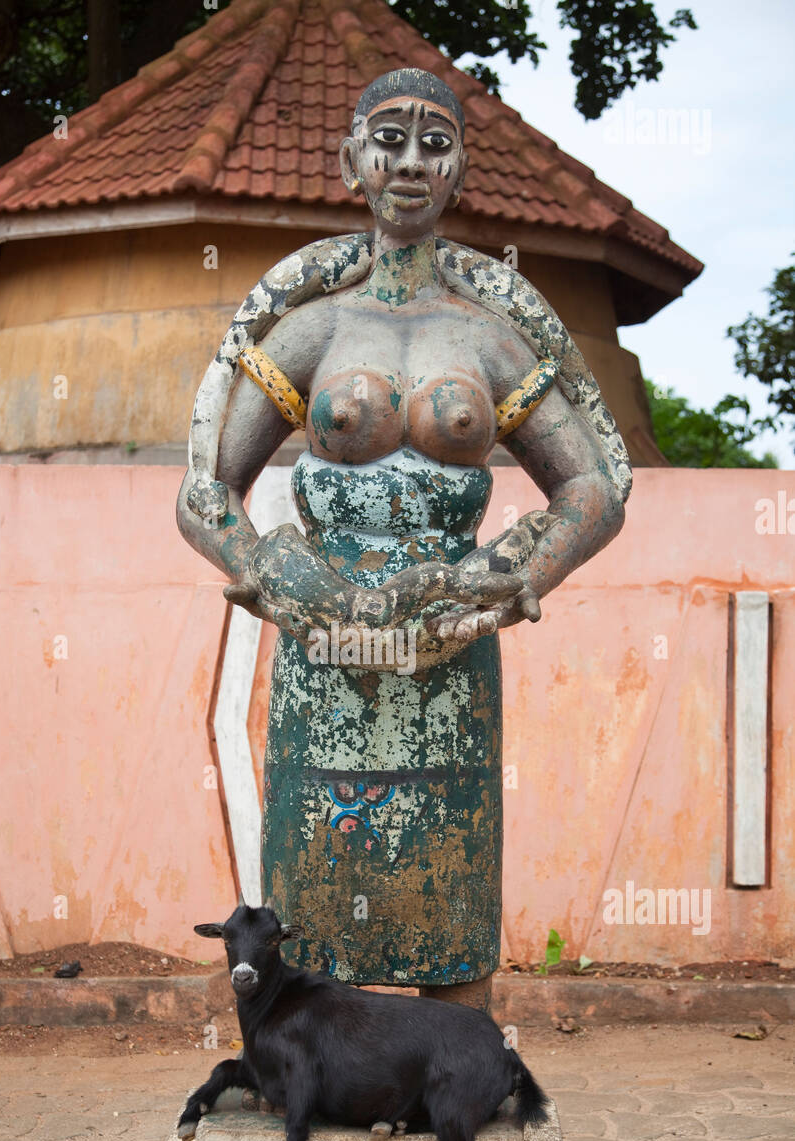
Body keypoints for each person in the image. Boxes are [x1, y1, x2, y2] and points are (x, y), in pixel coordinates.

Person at [177, 67, 630, 1012]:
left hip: (449, 653)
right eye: (389, 139)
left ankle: (455, 1078)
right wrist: (269, 571)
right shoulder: (310, 328)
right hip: (322, 649)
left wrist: (511, 575)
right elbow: (202, 491)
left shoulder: (494, 337)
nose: (412, 161)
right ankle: (313, 1076)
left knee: (452, 912)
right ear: (351, 162)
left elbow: (593, 488)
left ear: (461, 169)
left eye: (436, 142)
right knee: (312, 918)